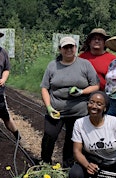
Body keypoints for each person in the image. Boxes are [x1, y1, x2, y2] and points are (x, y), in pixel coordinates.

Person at [40, 36, 100, 168]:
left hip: (78, 111)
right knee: (50, 136)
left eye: (71, 47)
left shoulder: (85, 64)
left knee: (72, 140)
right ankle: (45, 164)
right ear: (60, 49)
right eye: (65, 47)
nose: (68, 50)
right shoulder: (52, 66)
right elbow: (44, 87)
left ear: (75, 48)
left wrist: (81, 91)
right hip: (56, 110)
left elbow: (96, 85)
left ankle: (68, 167)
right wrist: (49, 107)